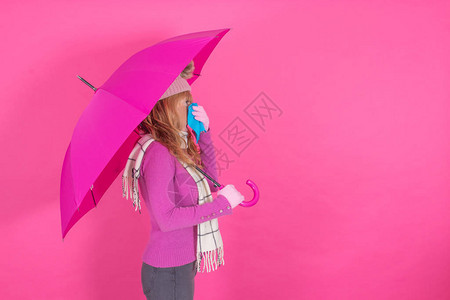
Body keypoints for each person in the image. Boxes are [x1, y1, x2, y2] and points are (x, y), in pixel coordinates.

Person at [134, 61, 245, 300]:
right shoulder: (159, 152)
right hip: (168, 270)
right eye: (185, 102)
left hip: (182, 263)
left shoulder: (177, 148)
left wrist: (204, 132)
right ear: (169, 106)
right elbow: (167, 218)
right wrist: (222, 205)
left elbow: (212, 182)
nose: (192, 106)